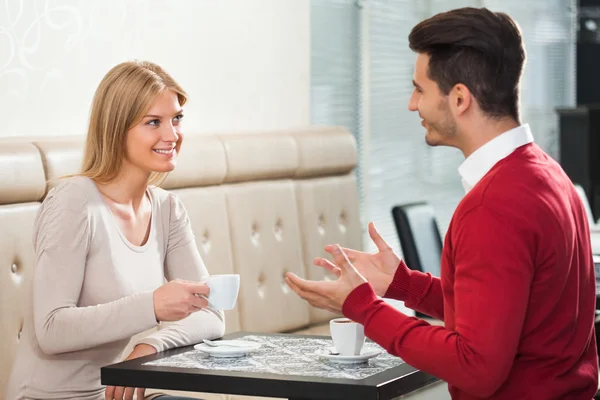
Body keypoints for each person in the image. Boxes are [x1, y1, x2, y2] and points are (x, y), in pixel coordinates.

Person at [285, 7, 599, 399]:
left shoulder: (493, 208)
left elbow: (476, 366)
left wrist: (363, 308)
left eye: (420, 89)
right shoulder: (548, 174)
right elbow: (504, 313)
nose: (412, 104)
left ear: (460, 98)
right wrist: (404, 285)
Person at [6, 60, 225, 400]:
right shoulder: (73, 202)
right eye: (154, 122)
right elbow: (51, 329)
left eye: (176, 118)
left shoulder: (167, 209)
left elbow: (212, 314)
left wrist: (149, 344)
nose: (172, 135)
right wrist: (151, 306)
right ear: (115, 129)